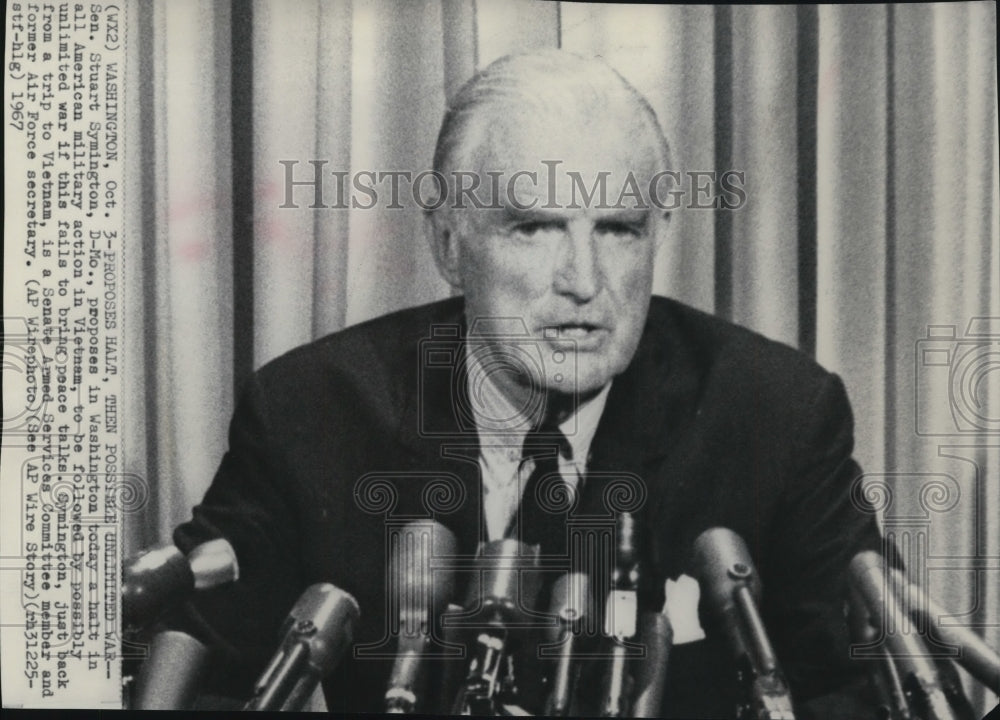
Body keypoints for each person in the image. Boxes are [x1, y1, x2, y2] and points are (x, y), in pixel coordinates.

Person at [165, 50, 882, 717]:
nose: (583, 282)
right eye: (534, 227)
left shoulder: (776, 413)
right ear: (449, 244)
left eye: (618, 229)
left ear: (658, 234)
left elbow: (865, 691)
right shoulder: (311, 411)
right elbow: (192, 678)